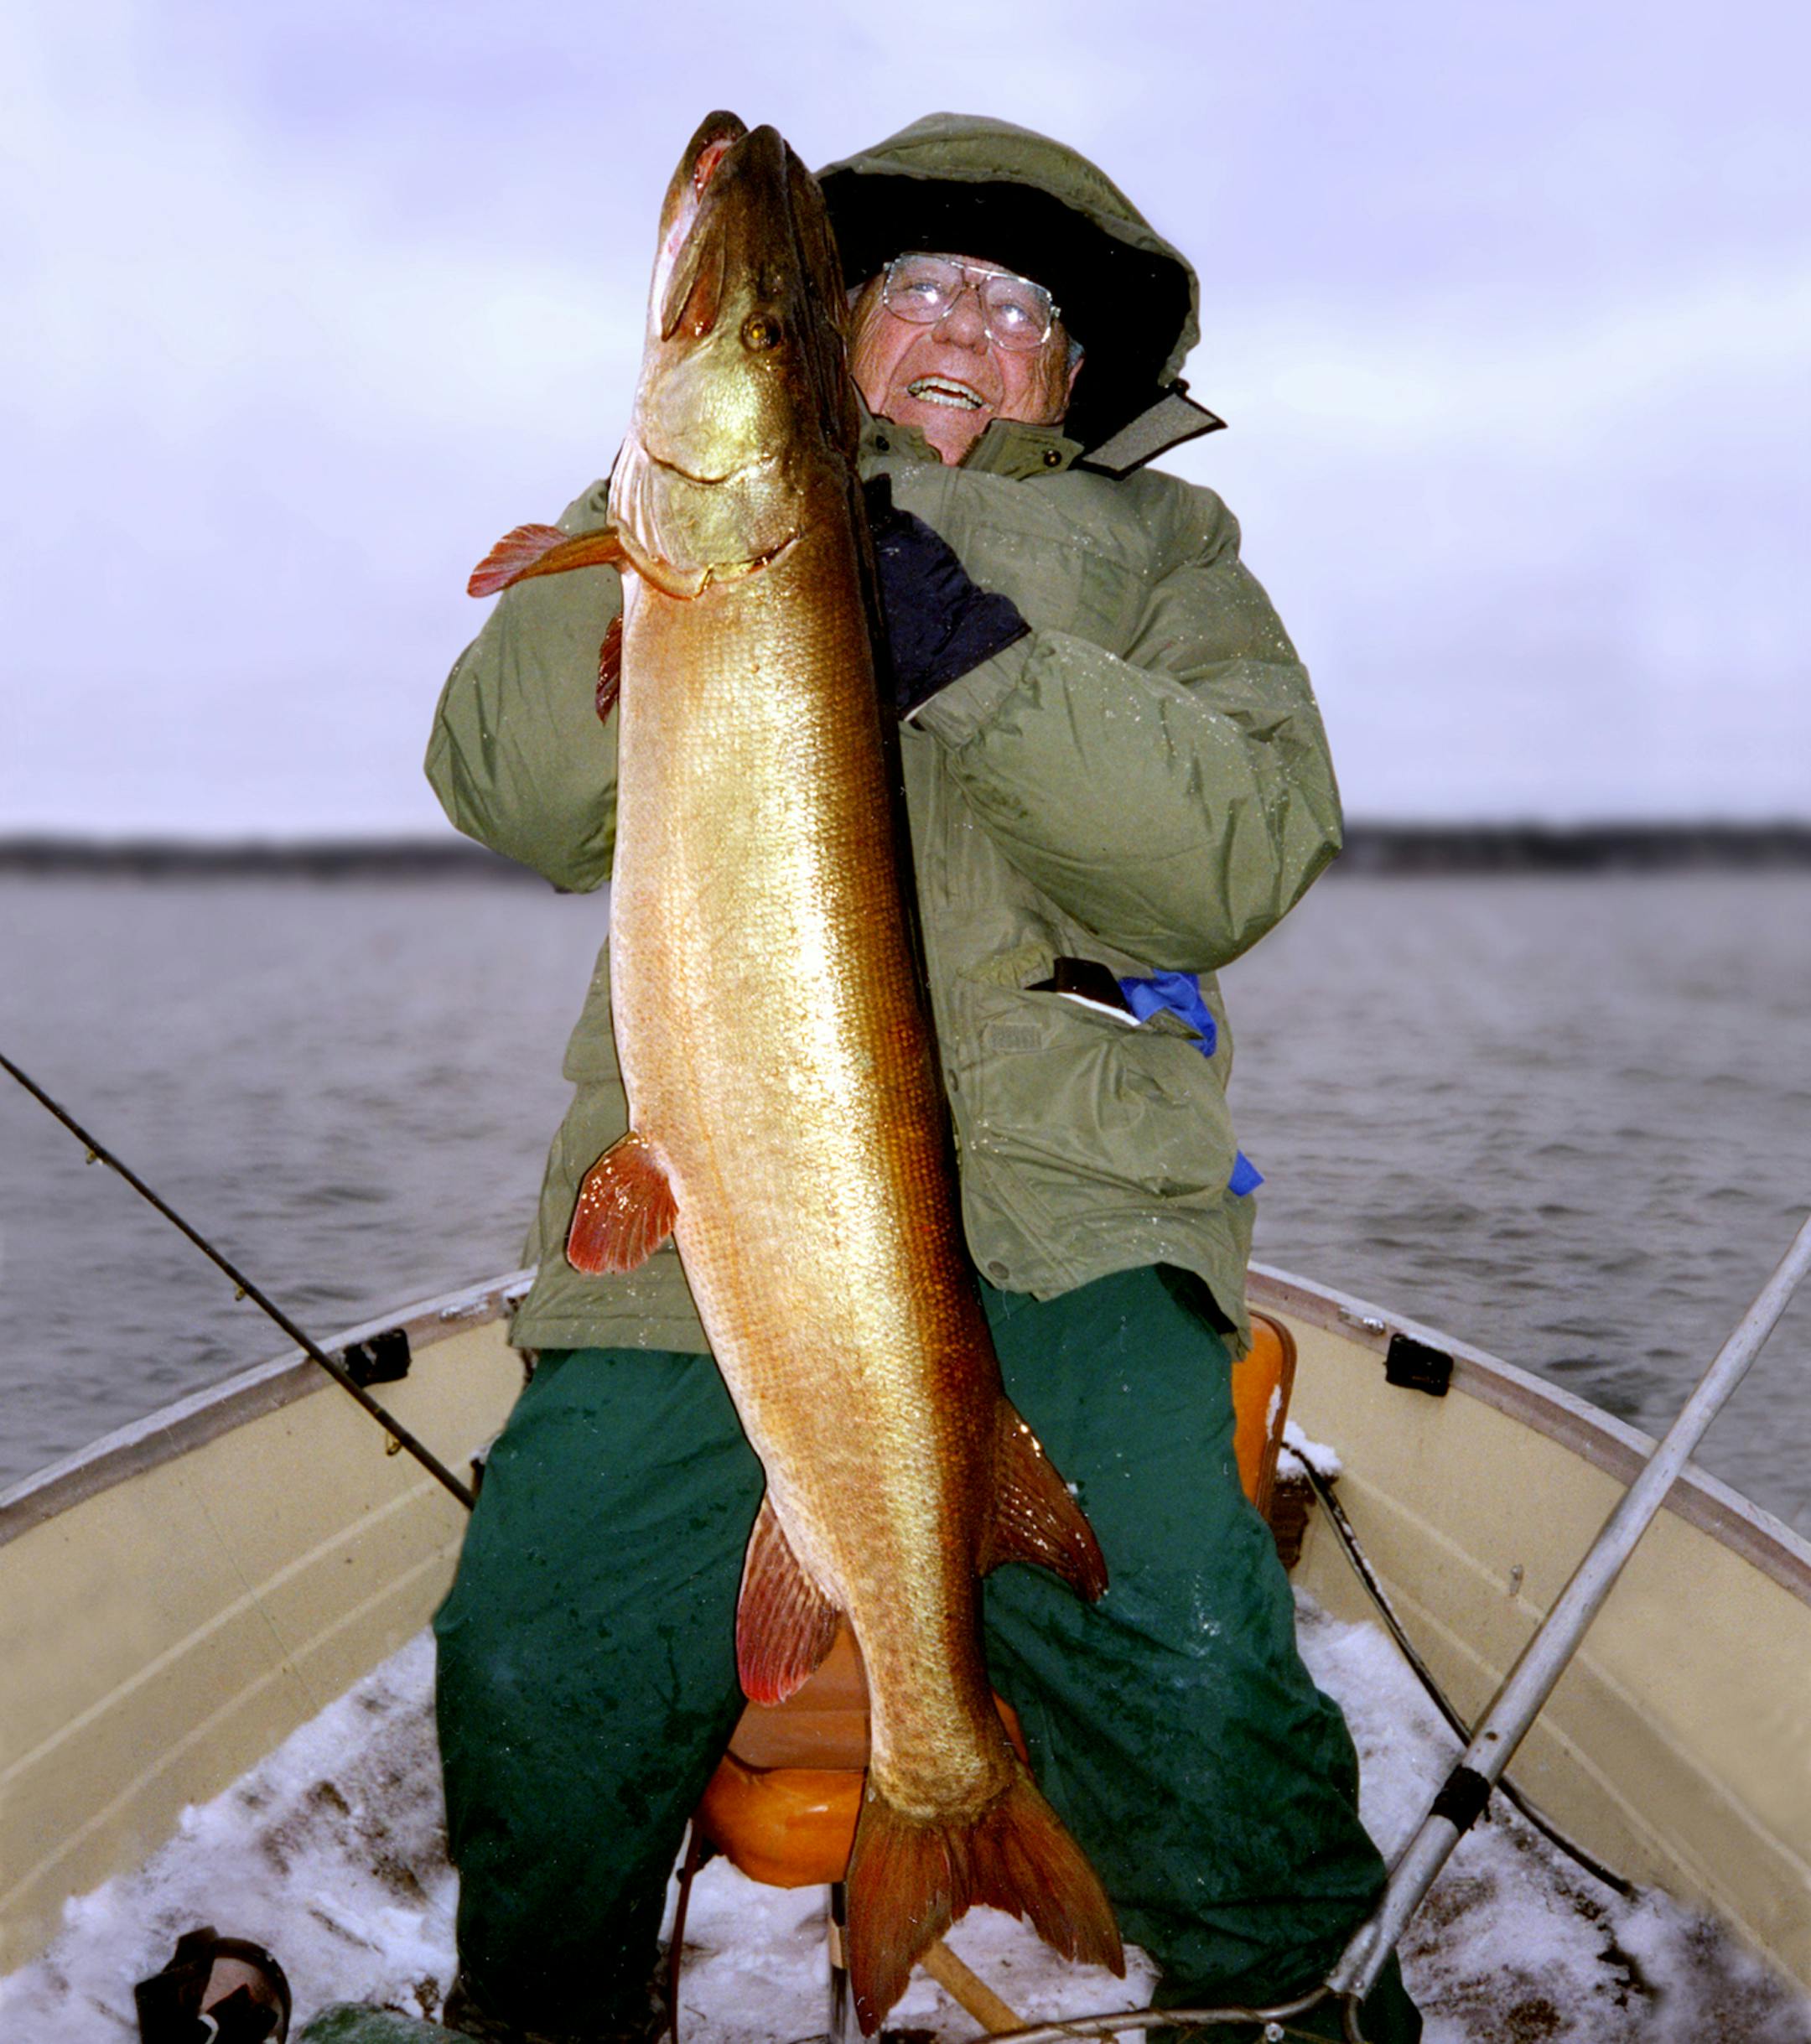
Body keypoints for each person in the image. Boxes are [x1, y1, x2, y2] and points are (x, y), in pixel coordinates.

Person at [415, 113, 1422, 2044]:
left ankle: (1290, 2001)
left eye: (1019, 302)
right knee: (535, 1661)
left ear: (1077, 360)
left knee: (1199, 1663)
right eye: (918, 289)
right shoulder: (676, 511)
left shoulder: (1167, 555)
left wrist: (974, 646)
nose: (967, 326)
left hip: (1073, 1211)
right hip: (696, 1221)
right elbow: (513, 791)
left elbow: (1243, 852)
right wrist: (658, 528)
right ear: (840, 335)